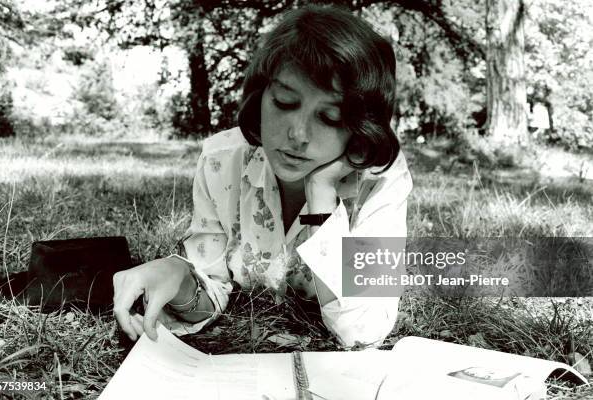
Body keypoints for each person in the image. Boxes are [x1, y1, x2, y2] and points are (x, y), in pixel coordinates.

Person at [112, 4, 413, 348]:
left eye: (330, 117)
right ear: (261, 97)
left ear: (361, 127)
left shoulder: (381, 180)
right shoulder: (222, 160)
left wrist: (322, 196)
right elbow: (211, 283)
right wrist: (178, 277)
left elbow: (363, 330)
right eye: (285, 102)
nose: (298, 134)